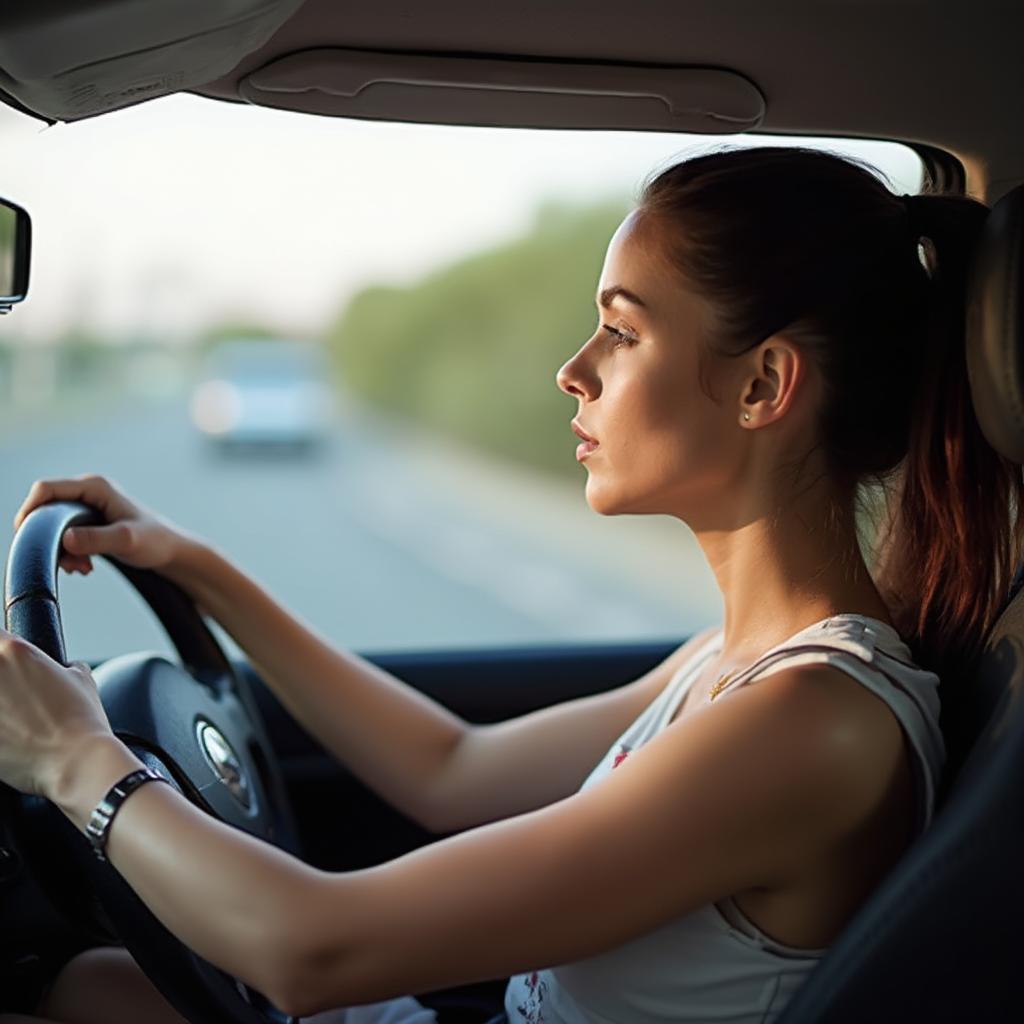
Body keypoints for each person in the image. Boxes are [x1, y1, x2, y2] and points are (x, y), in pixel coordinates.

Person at [0, 145, 1019, 1024]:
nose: (574, 371)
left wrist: (76, 758)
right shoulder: (742, 663)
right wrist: (193, 563)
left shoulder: (813, 723)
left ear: (761, 385)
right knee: (92, 985)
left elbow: (310, 950)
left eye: (622, 330)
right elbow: (454, 769)